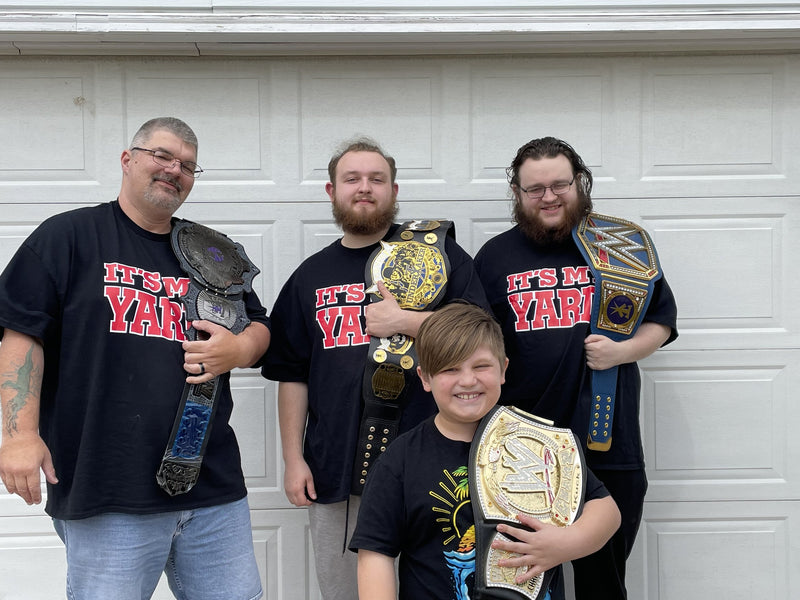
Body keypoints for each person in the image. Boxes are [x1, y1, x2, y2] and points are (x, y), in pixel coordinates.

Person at [0, 117, 271, 600]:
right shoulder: (68, 237)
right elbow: (23, 335)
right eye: (162, 156)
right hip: (107, 488)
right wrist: (20, 434)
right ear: (128, 160)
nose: (175, 169)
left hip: (212, 486)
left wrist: (242, 347)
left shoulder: (211, 252)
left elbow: (260, 325)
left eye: (188, 165)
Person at [262, 136, 489, 599]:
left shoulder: (440, 260)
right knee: (347, 590)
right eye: (352, 179)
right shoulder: (310, 275)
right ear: (332, 191)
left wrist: (406, 320)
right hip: (336, 467)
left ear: (394, 189)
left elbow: (482, 335)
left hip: (440, 467)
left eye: (376, 179)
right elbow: (292, 374)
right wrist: (292, 459)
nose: (364, 188)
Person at [474, 136, 678, 599]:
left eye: (560, 184)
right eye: (535, 188)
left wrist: (622, 353)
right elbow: (476, 343)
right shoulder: (495, 257)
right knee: (520, 582)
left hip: (609, 444)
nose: (549, 196)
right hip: (523, 452)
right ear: (518, 194)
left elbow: (662, 321)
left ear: (579, 183)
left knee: (601, 584)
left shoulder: (622, 246)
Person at [349, 302, 621, 599]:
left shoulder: (539, 443)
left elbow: (605, 510)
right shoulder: (398, 461)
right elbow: (375, 555)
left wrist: (569, 542)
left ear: (503, 369)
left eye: (481, 366)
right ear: (425, 378)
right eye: (450, 369)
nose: (468, 380)